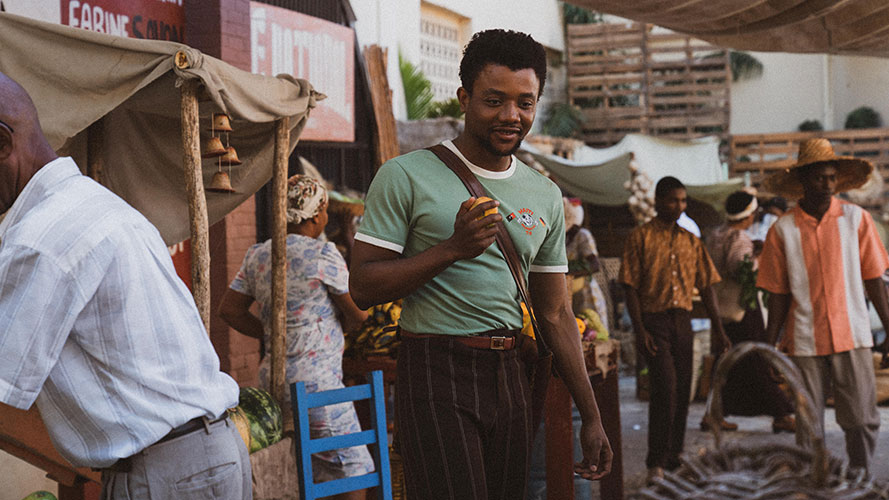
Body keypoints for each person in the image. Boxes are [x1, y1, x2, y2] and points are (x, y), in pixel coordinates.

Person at [349, 29, 613, 500]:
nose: (511, 116)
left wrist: (590, 416)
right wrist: (451, 248)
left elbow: (555, 313)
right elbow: (365, 286)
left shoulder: (545, 194)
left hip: (511, 369)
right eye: (494, 101)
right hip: (434, 368)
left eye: (525, 103)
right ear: (464, 98)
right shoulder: (404, 175)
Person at [0, 72, 250, 498]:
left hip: (167, 472)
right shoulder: (94, 205)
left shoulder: (40, 240)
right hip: (209, 454)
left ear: (2, 144)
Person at [218, 175, 374, 500]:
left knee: (302, 470)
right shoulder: (323, 254)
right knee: (354, 468)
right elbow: (357, 313)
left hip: (273, 384)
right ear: (317, 215)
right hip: (318, 387)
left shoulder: (258, 253)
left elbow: (229, 310)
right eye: (326, 212)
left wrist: (273, 333)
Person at [757, 138, 889, 474]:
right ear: (803, 180)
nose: (827, 184)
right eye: (819, 178)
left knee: (861, 420)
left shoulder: (856, 219)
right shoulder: (782, 229)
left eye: (832, 177)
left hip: (852, 334)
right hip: (803, 339)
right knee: (808, 425)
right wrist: (770, 346)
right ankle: (814, 483)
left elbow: (875, 278)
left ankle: (859, 478)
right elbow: (778, 293)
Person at [619, 175, 730, 483]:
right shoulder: (639, 237)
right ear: (656, 201)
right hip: (654, 322)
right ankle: (655, 462)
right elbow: (629, 286)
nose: (679, 206)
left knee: (683, 390)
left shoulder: (691, 241)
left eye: (683, 200)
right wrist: (640, 330)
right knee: (664, 388)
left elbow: (707, 287)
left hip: (683, 322)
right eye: (673, 200)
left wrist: (719, 330)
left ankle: (675, 457)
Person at [705, 190, 795, 434]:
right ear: (748, 214)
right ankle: (782, 414)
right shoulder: (739, 237)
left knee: (727, 360)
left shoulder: (716, 234)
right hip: (742, 309)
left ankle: (713, 413)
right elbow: (739, 268)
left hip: (721, 306)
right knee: (756, 357)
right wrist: (758, 259)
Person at [564, 196, 609, 336]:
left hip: (586, 293)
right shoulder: (563, 238)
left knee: (592, 330)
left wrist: (569, 273)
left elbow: (594, 265)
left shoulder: (582, 235)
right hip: (571, 293)